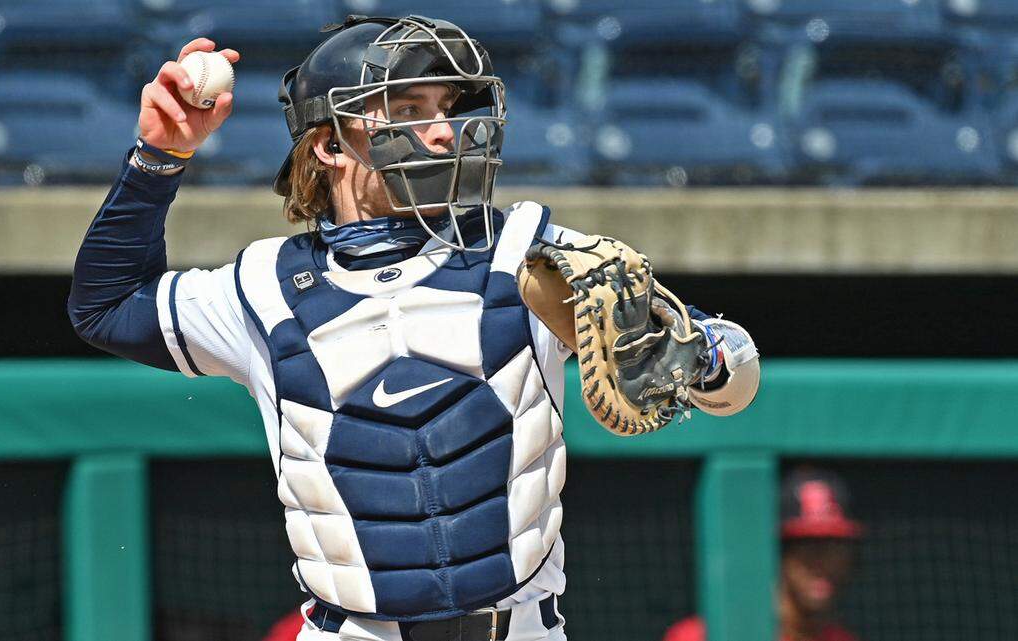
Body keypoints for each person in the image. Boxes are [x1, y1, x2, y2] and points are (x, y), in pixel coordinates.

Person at [68, 15, 760, 641]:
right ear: (329, 144)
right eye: (407, 110)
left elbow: (736, 369)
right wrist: (158, 158)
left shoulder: (526, 251)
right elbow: (107, 306)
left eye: (445, 108)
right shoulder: (264, 286)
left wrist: (694, 357)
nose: (442, 131)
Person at [663, 467, 863, 641]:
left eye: (834, 548)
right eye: (808, 547)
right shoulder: (703, 636)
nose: (823, 563)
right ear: (779, 552)